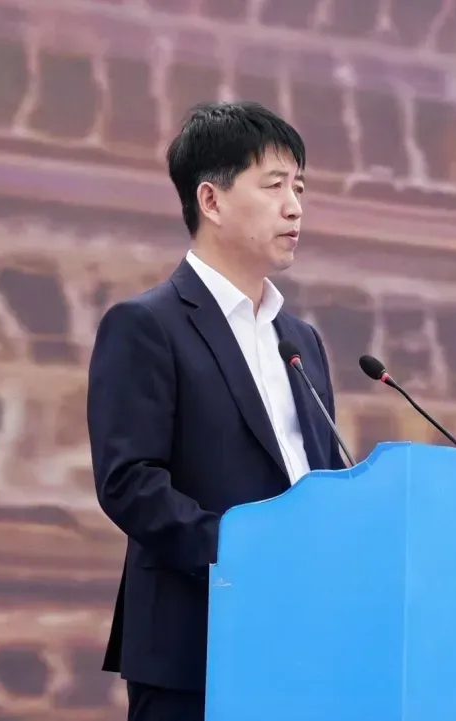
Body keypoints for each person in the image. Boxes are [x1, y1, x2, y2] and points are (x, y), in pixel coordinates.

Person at [86, 100, 349, 721]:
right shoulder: (147, 325)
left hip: (301, 649)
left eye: (300, 187)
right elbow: (130, 483)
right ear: (211, 200)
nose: (295, 206)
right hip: (194, 648)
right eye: (274, 185)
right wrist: (250, 559)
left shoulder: (301, 341)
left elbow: (321, 480)